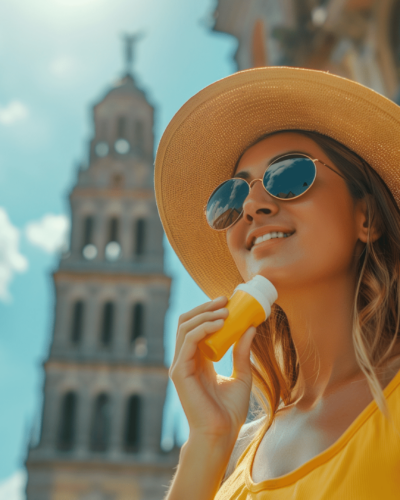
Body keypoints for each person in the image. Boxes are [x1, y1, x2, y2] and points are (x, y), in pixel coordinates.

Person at [154, 67, 400, 499]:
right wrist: (208, 441)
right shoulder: (237, 450)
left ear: (368, 217)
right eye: (231, 197)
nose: (251, 205)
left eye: (289, 176)